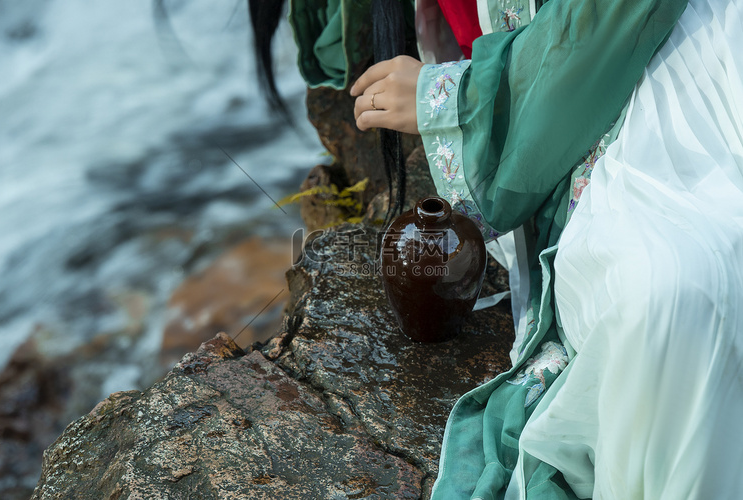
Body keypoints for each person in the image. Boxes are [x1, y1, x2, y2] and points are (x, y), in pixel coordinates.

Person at [290, 0, 743, 497]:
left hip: (655, 68)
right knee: (667, 292)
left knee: (674, 292)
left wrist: (459, 98)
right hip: (557, 87)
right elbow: (332, 50)